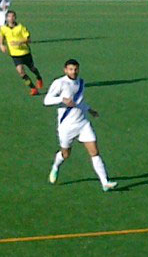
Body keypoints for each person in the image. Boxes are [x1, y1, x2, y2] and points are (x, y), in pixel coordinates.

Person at [42, 58, 117, 191]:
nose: (74, 72)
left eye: (76, 69)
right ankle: (55, 166)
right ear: (65, 70)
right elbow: (46, 100)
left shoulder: (81, 82)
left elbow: (79, 101)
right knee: (66, 154)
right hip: (67, 126)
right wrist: (62, 99)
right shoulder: (59, 83)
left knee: (95, 152)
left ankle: (105, 182)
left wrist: (90, 110)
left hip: (83, 124)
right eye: (71, 69)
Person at [0, 10, 42, 95]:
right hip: (15, 55)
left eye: (13, 16)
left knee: (32, 69)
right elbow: (2, 37)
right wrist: (1, 45)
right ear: (6, 18)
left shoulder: (21, 27)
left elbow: (29, 39)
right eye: (9, 16)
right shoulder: (3, 28)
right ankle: (33, 88)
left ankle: (39, 77)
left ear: (15, 18)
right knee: (21, 72)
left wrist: (19, 42)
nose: (11, 18)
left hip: (25, 52)